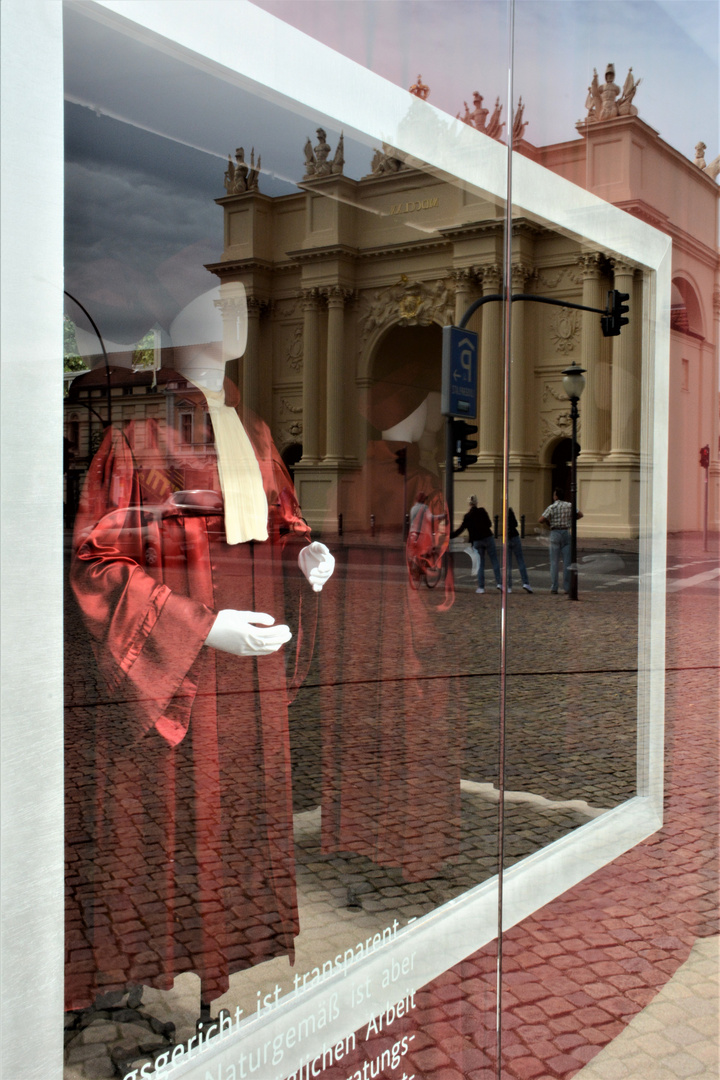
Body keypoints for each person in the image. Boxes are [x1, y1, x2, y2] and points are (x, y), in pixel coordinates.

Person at [65, 286, 334, 1013]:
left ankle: (231, 945)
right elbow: (96, 561)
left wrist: (305, 555)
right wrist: (197, 626)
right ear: (182, 332)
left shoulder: (256, 433)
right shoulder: (139, 441)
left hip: (252, 666)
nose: (236, 315)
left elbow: (281, 523)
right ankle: (153, 961)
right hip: (190, 660)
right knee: (179, 812)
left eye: (241, 306)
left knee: (242, 807)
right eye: (218, 306)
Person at [451, 495, 502, 593]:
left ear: (469, 504)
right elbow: (489, 524)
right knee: (494, 560)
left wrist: (450, 536)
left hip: (477, 541)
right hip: (488, 537)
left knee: (480, 564)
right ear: (476, 503)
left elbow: (460, 530)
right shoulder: (482, 511)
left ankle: (481, 587)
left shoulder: (467, 516)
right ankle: (499, 583)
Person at [539, 488, 583, 594]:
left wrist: (548, 522)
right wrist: (571, 519)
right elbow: (580, 514)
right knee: (567, 562)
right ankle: (567, 588)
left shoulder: (552, 507)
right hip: (566, 532)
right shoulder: (569, 505)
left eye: (554, 495)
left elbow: (541, 520)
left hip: (555, 533)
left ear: (556, 496)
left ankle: (554, 587)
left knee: (554, 562)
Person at [507, 507, 533, 593]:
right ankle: (525, 582)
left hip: (506, 538)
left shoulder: (502, 512)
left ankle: (509, 586)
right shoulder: (510, 511)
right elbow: (515, 524)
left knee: (508, 563)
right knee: (520, 560)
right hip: (514, 536)